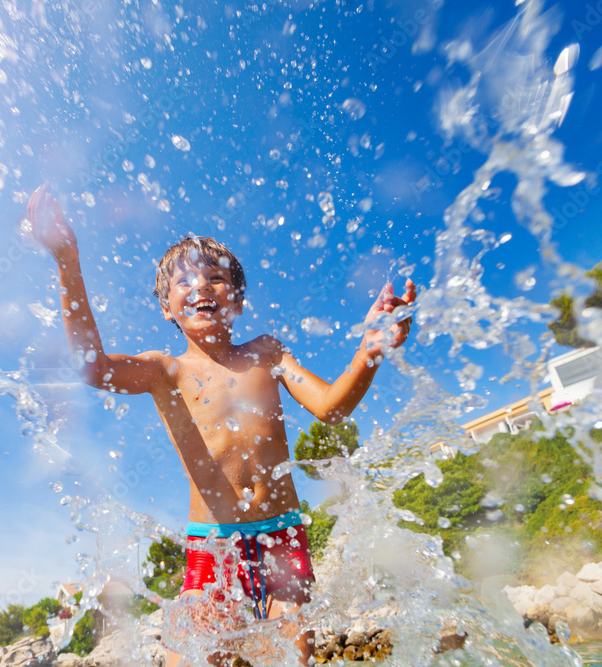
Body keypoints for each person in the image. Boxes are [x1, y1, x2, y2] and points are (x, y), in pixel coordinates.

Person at [25, 182, 416, 666]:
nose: (201, 287)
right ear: (167, 307)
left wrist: (369, 352)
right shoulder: (164, 371)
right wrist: (67, 258)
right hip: (213, 541)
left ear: (238, 299)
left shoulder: (267, 353)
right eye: (184, 283)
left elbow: (331, 408)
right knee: (191, 654)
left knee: (292, 653)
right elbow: (90, 366)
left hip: (283, 534)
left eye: (214, 278)